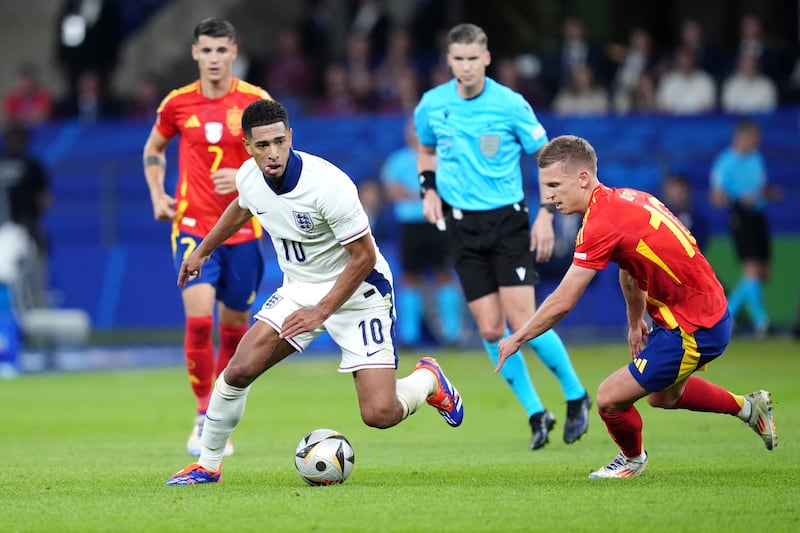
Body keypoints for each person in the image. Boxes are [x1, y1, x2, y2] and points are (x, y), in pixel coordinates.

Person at [166, 99, 464, 485]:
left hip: (361, 295)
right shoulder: (249, 177)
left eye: (278, 142)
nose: (272, 153)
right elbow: (242, 207)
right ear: (247, 146)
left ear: (290, 137)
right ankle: (208, 466)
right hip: (301, 290)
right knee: (238, 369)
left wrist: (320, 313)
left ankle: (428, 379)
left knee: (379, 414)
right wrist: (203, 250)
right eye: (262, 146)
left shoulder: (328, 185)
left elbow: (363, 257)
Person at [496, 135, 777, 478]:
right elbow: (631, 271)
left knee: (609, 398)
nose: (549, 195)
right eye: (545, 186)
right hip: (695, 312)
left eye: (555, 184)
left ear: (583, 178)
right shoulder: (626, 198)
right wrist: (634, 322)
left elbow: (563, 300)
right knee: (664, 397)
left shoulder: (600, 223)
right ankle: (751, 409)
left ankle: (631, 461)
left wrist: (518, 338)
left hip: (694, 325)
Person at [414, 23, 590, 450]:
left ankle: (575, 395)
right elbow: (426, 149)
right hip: (461, 225)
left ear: (487, 58)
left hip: (507, 222)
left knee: (523, 322)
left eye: (473, 58)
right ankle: (535, 412)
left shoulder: (509, 105)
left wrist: (546, 215)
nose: (466, 67)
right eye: (458, 59)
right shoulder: (432, 105)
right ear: (449, 60)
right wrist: (428, 190)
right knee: (491, 330)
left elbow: (548, 159)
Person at [142, 18, 272, 458]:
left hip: (243, 229)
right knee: (199, 321)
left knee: (234, 329)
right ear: (195, 53)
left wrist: (244, 173)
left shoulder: (255, 101)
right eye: (206, 51)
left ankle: (217, 413)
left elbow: (281, 156)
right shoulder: (178, 104)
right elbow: (153, 149)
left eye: (222, 50)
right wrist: (158, 194)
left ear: (234, 51)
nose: (214, 58)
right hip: (193, 227)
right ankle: (202, 414)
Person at [380, 119, 463, 347]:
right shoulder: (397, 161)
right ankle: (409, 336)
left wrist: (418, 194)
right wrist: (427, 194)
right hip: (410, 227)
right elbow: (393, 192)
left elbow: (448, 190)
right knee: (410, 278)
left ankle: (452, 334)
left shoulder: (442, 160)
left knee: (444, 275)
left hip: (437, 223)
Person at [710, 120, 779, 337]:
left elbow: (760, 187)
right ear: (740, 137)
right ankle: (759, 321)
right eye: (752, 138)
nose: (755, 143)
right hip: (740, 216)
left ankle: (727, 315)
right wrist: (739, 199)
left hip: (759, 215)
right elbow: (717, 197)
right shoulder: (725, 162)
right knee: (752, 270)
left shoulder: (757, 159)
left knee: (763, 272)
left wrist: (768, 193)